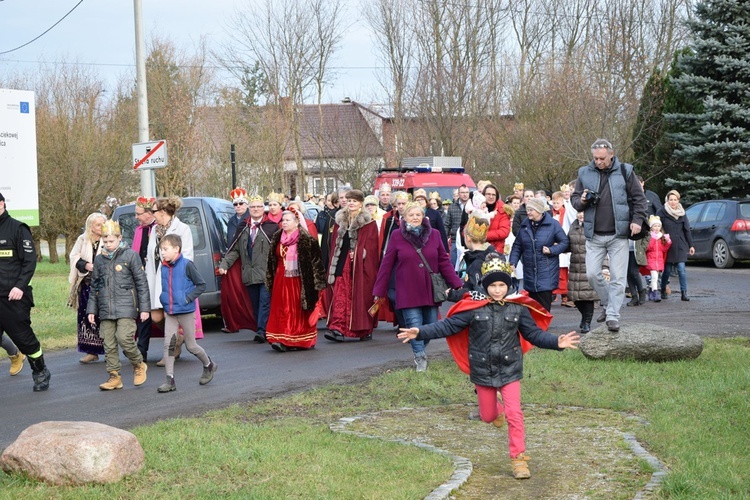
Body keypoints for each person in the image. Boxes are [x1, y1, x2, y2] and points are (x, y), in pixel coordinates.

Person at [397, 256, 579, 479]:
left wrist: (555, 342)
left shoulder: (518, 309)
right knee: (488, 415)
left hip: (510, 367)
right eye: (492, 285)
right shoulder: (472, 308)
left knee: (515, 414)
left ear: (508, 285)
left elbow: (533, 334)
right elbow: (447, 326)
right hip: (482, 370)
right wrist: (420, 331)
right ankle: (496, 411)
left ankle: (519, 458)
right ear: (485, 286)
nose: (497, 290)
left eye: (501, 285)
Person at [373, 201, 462, 371]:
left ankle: (420, 347)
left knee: (428, 326)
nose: (415, 217)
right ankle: (420, 357)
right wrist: (379, 290)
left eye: (418, 214)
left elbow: (444, 261)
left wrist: (456, 283)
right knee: (414, 324)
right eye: (411, 215)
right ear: (404, 218)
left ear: (423, 216)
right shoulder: (397, 236)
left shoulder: (434, 234)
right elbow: (387, 264)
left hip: (430, 289)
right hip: (407, 290)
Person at [570, 139, 648, 332]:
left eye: (602, 158)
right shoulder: (584, 172)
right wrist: (580, 200)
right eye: (595, 158)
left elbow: (640, 199)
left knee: (618, 278)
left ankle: (613, 315)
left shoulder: (626, 171)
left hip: (618, 235)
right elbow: (575, 201)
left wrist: (637, 221)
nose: (598, 161)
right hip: (594, 235)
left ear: (611, 154)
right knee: (592, 274)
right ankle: (607, 303)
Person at [86, 220, 149, 391]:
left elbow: (142, 283)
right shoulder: (99, 260)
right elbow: (95, 286)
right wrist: (91, 309)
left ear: (120, 238)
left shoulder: (130, 256)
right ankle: (114, 376)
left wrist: (144, 308)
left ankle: (138, 364)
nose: (108, 244)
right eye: (105, 241)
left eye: (111, 241)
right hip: (106, 308)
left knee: (124, 338)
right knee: (109, 342)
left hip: (126, 306)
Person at [0, 192, 51, 391]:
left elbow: (29, 262)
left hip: (13, 297)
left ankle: (40, 371)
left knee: (24, 338)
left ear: (2, 204)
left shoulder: (18, 228)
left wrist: (19, 286)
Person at [156, 234, 216, 393]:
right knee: (169, 345)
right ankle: (170, 380)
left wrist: (187, 298)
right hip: (170, 312)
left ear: (176, 249)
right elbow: (165, 288)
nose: (162, 252)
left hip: (186, 311)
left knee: (191, 346)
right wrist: (163, 300)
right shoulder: (163, 266)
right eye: (161, 249)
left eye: (165, 249)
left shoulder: (187, 265)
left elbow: (201, 285)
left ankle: (208, 365)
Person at [146, 196, 200, 366]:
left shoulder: (182, 228)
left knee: (170, 316)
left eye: (153, 211)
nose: (151, 214)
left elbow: (187, 255)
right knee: (155, 316)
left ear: (162, 212)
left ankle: (168, 353)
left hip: (173, 277)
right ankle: (178, 340)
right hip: (156, 277)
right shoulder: (154, 230)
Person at [219, 192, 279, 342]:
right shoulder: (243, 227)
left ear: (263, 209)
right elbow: (235, 250)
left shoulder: (272, 227)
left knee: (265, 302)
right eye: (253, 207)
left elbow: (280, 249)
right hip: (249, 273)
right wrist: (225, 264)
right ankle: (262, 328)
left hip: (267, 273)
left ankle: (262, 331)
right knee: (255, 303)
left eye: (259, 206)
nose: (256, 209)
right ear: (249, 209)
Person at [265, 208, 327, 352]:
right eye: (283, 220)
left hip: (299, 281)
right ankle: (280, 338)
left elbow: (316, 264)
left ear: (296, 222)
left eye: (288, 220)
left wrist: (318, 285)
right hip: (280, 279)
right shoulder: (277, 237)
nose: (284, 223)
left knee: (296, 309)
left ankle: (298, 339)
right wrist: (270, 279)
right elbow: (271, 261)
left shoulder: (307, 240)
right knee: (281, 308)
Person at [325, 190, 379, 342]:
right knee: (340, 294)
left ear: (361, 203)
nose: (351, 203)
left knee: (360, 296)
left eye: (354, 201)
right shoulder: (340, 221)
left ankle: (363, 329)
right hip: (342, 263)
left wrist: (360, 253)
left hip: (360, 267)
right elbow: (334, 244)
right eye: (349, 200)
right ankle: (337, 328)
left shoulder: (369, 223)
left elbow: (372, 246)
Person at [509, 197, 569, 312]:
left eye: (531, 210)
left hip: (546, 270)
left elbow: (564, 242)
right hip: (530, 271)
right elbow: (517, 246)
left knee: (544, 305)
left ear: (539, 211)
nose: (528, 212)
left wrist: (552, 250)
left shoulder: (553, 224)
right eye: (528, 209)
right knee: (533, 305)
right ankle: (536, 328)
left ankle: (543, 327)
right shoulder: (524, 226)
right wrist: (513, 263)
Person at [67, 212, 107, 364]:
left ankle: (109, 350)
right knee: (86, 318)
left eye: (103, 223)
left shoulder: (110, 238)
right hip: (86, 283)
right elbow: (74, 257)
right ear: (91, 227)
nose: (102, 227)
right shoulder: (82, 239)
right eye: (98, 224)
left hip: (104, 285)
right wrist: (86, 265)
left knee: (104, 318)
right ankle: (91, 351)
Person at [447, 213, 496, 302]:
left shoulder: (477, 262)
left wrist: (451, 294)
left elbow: (474, 292)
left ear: (468, 238)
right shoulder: (494, 255)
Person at [567, 210, 601, 333]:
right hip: (576, 266)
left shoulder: (596, 227)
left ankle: (587, 322)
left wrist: (604, 267)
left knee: (588, 297)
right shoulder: (574, 226)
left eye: (583, 212)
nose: (581, 215)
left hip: (590, 265)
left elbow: (603, 249)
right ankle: (584, 318)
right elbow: (568, 244)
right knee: (576, 298)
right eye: (579, 212)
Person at [657, 190, 695, 301]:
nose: (673, 202)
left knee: (681, 269)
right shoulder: (662, 212)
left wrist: (691, 245)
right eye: (671, 200)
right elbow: (656, 227)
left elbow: (687, 230)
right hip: (668, 245)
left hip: (681, 245)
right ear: (667, 201)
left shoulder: (682, 213)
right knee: (667, 270)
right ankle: (663, 289)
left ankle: (684, 293)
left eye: (675, 200)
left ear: (678, 200)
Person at [131, 197, 157, 360]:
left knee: (158, 314)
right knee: (143, 313)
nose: (136, 217)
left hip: (156, 276)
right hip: (141, 277)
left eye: (138, 214)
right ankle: (142, 350)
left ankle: (175, 343)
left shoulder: (158, 228)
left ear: (148, 214)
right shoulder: (139, 230)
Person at [638, 215, 671, 302]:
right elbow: (648, 248)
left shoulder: (661, 237)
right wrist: (652, 238)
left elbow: (663, 249)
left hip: (658, 261)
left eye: (658, 226)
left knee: (654, 277)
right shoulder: (649, 236)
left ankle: (650, 291)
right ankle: (655, 293)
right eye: (655, 226)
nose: (657, 228)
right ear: (651, 227)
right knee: (654, 277)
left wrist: (668, 242)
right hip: (651, 260)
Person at [549, 191, 573, 307]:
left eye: (558, 203)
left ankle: (566, 296)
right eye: (554, 203)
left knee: (565, 273)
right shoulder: (550, 214)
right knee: (557, 272)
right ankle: (557, 294)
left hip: (563, 244)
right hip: (553, 245)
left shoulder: (567, 212)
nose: (556, 205)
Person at [445, 184, 472, 267]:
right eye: (462, 192)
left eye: (467, 192)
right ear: (459, 194)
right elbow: (447, 224)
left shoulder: (473, 207)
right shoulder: (452, 207)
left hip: (470, 240)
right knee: (453, 264)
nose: (465, 194)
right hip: (455, 241)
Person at [482, 184, 512, 256]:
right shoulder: (477, 208)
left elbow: (504, 232)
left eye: (493, 194)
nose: (491, 196)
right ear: (483, 195)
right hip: (479, 250)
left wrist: (484, 236)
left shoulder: (503, 211)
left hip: (496, 252)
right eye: (488, 194)